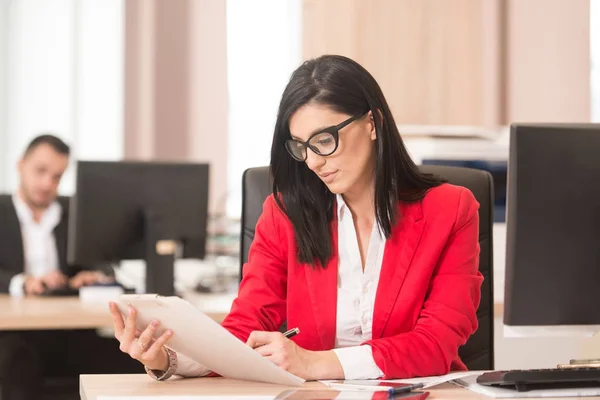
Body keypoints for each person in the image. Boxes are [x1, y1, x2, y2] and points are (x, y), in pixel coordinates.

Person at [110, 55, 483, 381]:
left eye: (324, 140)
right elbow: (245, 330)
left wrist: (315, 363)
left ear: (373, 123)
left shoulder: (450, 210)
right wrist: (167, 358)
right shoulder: (284, 215)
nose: (314, 161)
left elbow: (436, 344)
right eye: (301, 147)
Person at [0, 135, 143, 400]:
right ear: (20, 165)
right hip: (14, 335)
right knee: (13, 365)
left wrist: (93, 275)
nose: (47, 183)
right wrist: (23, 282)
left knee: (135, 362)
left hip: (69, 329)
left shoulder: (74, 211)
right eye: (40, 171)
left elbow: (103, 260)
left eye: (56, 176)